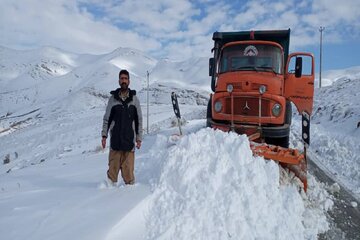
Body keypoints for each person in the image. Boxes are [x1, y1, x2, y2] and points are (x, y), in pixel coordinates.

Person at [101, 69, 143, 186]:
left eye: (125, 78)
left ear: (129, 81)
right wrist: (104, 135)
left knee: (129, 177)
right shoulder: (112, 99)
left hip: (129, 144)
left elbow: (139, 120)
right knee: (111, 177)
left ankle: (129, 201)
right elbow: (107, 119)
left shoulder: (134, 100)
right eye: (122, 78)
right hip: (115, 144)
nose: (123, 81)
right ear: (119, 81)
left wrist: (138, 138)